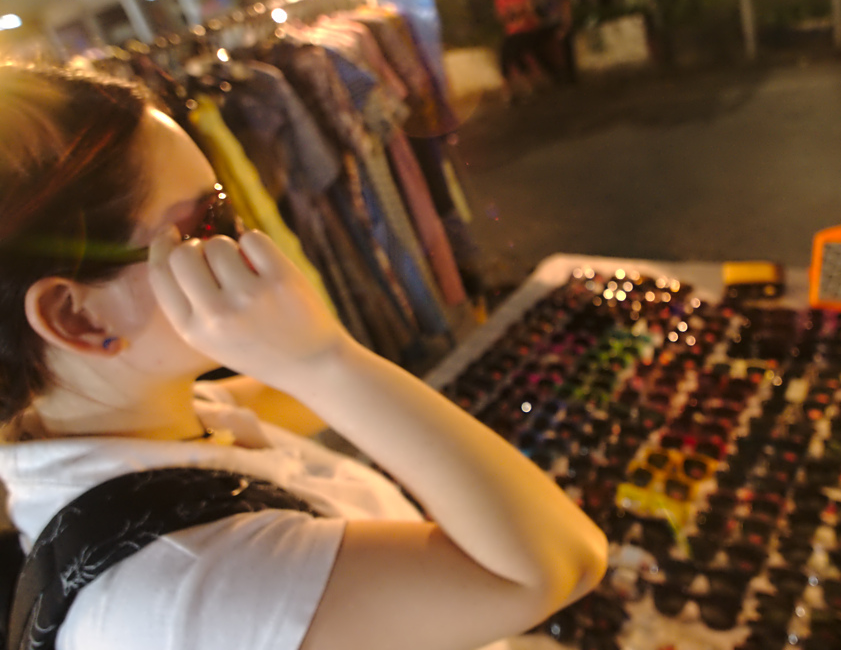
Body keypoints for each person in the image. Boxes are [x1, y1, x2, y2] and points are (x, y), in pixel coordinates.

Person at [0, 65, 608, 650]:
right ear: (79, 318)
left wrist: (305, 356)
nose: (245, 237)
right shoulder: (188, 593)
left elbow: (294, 402)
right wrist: (321, 358)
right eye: (208, 220)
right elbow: (555, 568)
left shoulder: (138, 416)